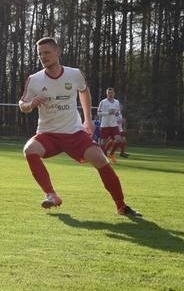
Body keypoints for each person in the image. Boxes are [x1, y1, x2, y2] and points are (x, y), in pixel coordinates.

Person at [18, 37, 141, 217]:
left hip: (74, 133)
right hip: (47, 134)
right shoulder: (34, 79)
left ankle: (122, 206)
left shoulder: (74, 74)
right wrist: (30, 105)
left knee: (100, 160)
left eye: (47, 53)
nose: (43, 57)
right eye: (40, 54)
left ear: (57, 52)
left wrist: (88, 120)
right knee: (29, 150)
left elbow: (84, 91)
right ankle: (51, 195)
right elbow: (22, 103)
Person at [97, 87, 123, 163]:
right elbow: (98, 113)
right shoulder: (103, 102)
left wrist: (119, 116)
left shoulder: (117, 102)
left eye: (111, 93)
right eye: (108, 93)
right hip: (105, 125)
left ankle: (111, 154)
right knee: (103, 142)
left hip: (114, 124)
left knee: (118, 139)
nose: (110, 94)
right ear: (106, 93)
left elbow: (118, 112)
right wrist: (108, 113)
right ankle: (102, 157)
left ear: (114, 93)